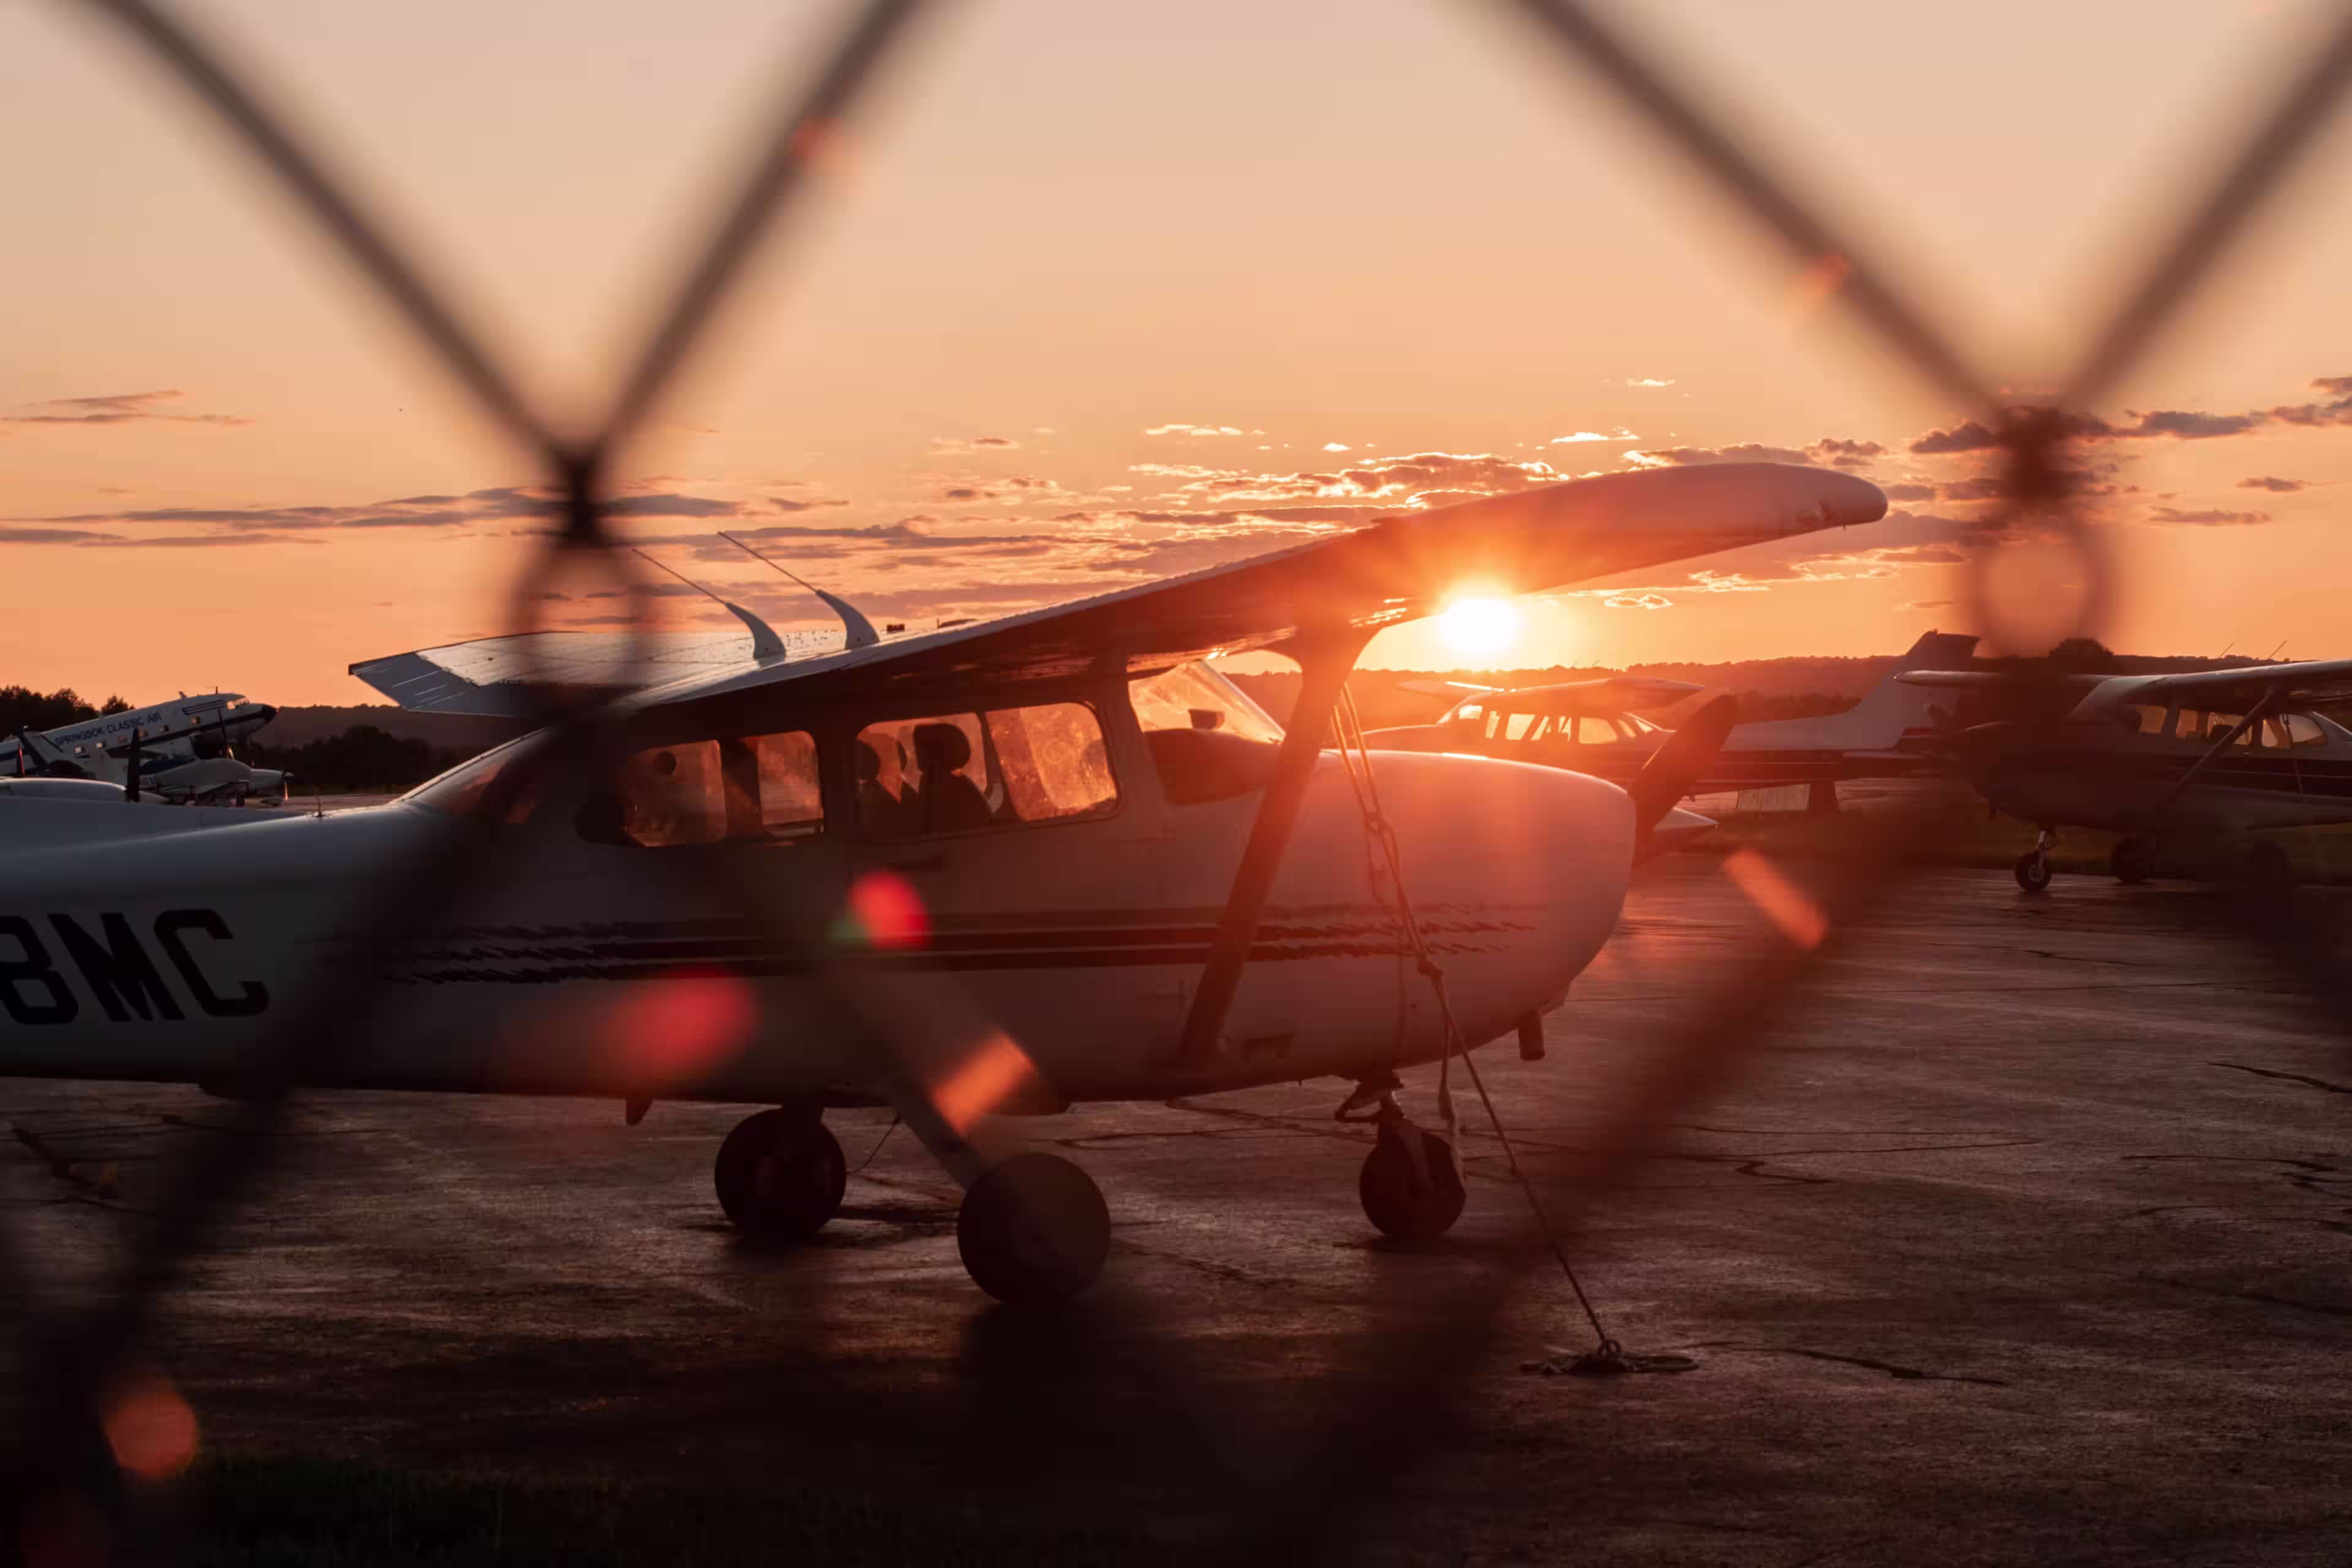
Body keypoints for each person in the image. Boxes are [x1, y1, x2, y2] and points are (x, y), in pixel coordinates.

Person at [912, 722, 992, 833]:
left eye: (918, 751)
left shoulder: (946, 786)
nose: (914, 756)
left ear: (934, 754)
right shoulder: (954, 781)